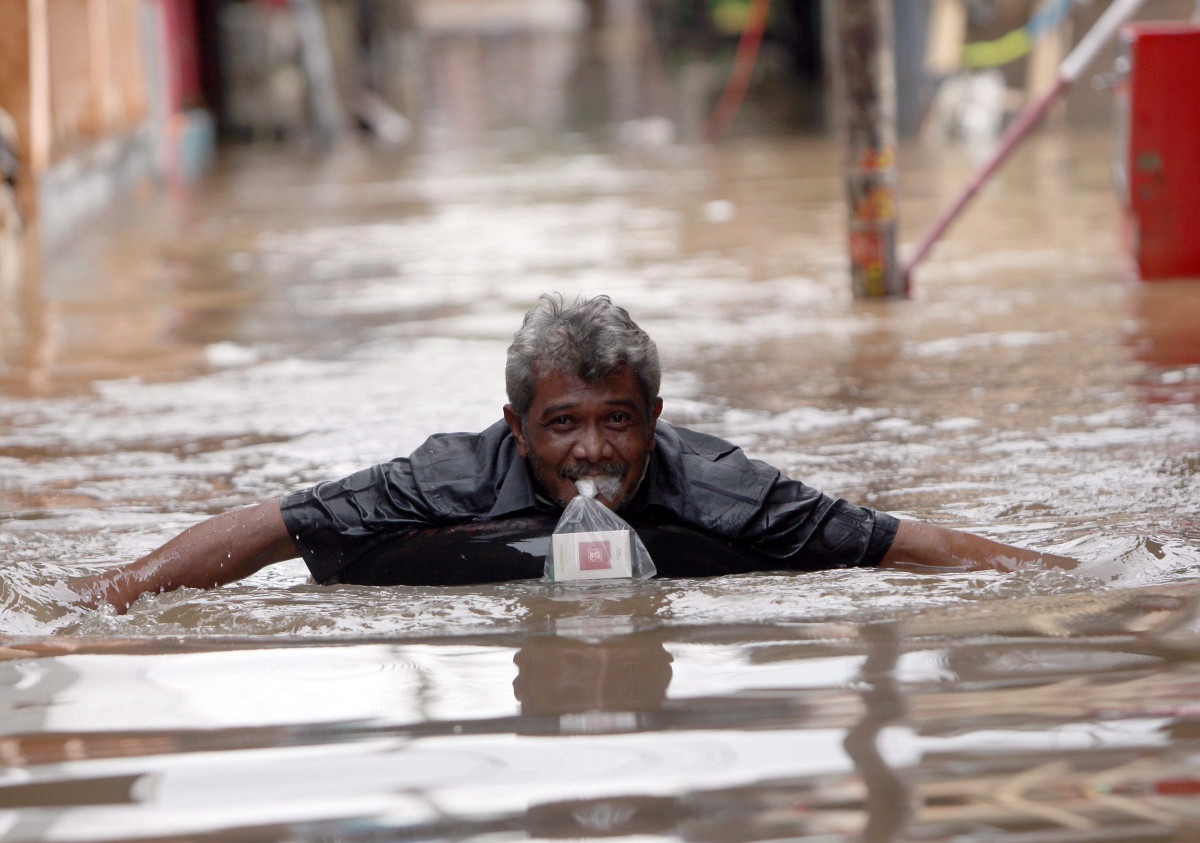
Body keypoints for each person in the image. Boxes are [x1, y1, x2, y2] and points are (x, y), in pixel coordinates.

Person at [70, 294, 1074, 612]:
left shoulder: (725, 494)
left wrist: (1091, 582)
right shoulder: (447, 482)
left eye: (619, 421)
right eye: (563, 425)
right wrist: (93, 604)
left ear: (656, 415)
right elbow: (267, 531)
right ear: (517, 428)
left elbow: (906, 544)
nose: (594, 450)